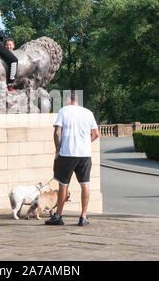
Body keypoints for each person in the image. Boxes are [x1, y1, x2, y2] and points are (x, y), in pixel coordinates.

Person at [45, 91, 100, 226]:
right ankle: (83, 217)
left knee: (63, 185)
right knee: (85, 184)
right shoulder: (88, 113)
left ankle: (58, 216)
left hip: (67, 154)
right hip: (85, 155)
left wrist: (58, 150)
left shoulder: (64, 111)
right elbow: (96, 134)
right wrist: (85, 143)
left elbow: (57, 132)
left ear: (69, 99)